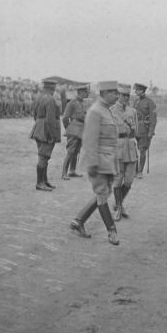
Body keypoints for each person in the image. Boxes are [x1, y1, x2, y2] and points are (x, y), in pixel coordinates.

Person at [69, 81, 120, 245]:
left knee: (104, 193)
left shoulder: (107, 111)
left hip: (108, 160)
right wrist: (92, 163)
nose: (117, 96)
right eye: (114, 93)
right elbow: (90, 140)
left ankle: (79, 220)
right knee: (102, 194)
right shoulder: (95, 111)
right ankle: (112, 231)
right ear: (104, 93)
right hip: (97, 160)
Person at [110, 84, 138, 221]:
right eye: (123, 95)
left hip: (131, 147)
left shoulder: (133, 111)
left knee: (128, 181)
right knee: (117, 180)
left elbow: (135, 131)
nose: (126, 97)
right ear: (118, 95)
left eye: (128, 95)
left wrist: (132, 127)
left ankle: (118, 204)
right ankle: (119, 207)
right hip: (118, 147)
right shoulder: (111, 110)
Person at [29, 79, 61, 191]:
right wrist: (52, 135)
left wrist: (39, 125)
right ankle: (39, 183)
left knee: (43, 156)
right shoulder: (50, 100)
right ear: (52, 88)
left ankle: (44, 180)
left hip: (39, 129)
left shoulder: (39, 97)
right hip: (46, 131)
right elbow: (50, 120)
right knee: (43, 157)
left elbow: (34, 114)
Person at [61, 84, 89, 180]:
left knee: (76, 151)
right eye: (86, 91)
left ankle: (72, 171)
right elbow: (65, 118)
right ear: (80, 92)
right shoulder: (72, 103)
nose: (87, 93)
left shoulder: (83, 103)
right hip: (74, 130)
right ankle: (64, 173)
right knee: (70, 152)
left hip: (81, 130)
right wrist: (68, 129)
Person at [133, 83, 157, 178]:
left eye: (137, 90)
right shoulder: (135, 101)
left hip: (144, 129)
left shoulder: (150, 102)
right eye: (136, 90)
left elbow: (153, 119)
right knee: (134, 151)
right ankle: (135, 170)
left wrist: (151, 131)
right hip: (135, 129)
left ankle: (140, 171)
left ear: (142, 90)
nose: (136, 91)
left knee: (142, 150)